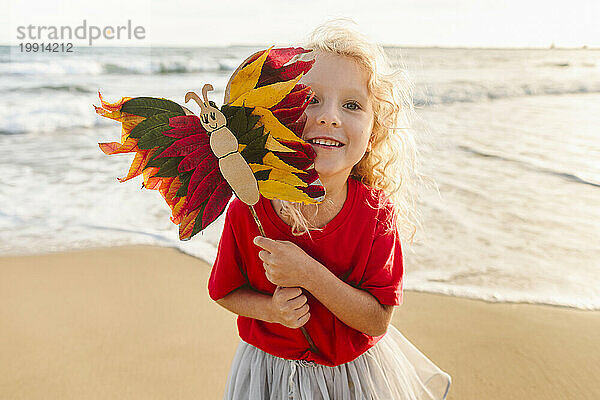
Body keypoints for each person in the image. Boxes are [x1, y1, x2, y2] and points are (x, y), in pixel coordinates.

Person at [208, 20, 451, 400]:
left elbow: (377, 319)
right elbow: (224, 291)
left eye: (352, 105)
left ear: (374, 132)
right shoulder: (248, 207)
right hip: (268, 374)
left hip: (352, 378)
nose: (329, 117)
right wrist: (273, 310)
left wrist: (309, 274)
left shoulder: (374, 213)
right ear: (279, 115)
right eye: (310, 99)